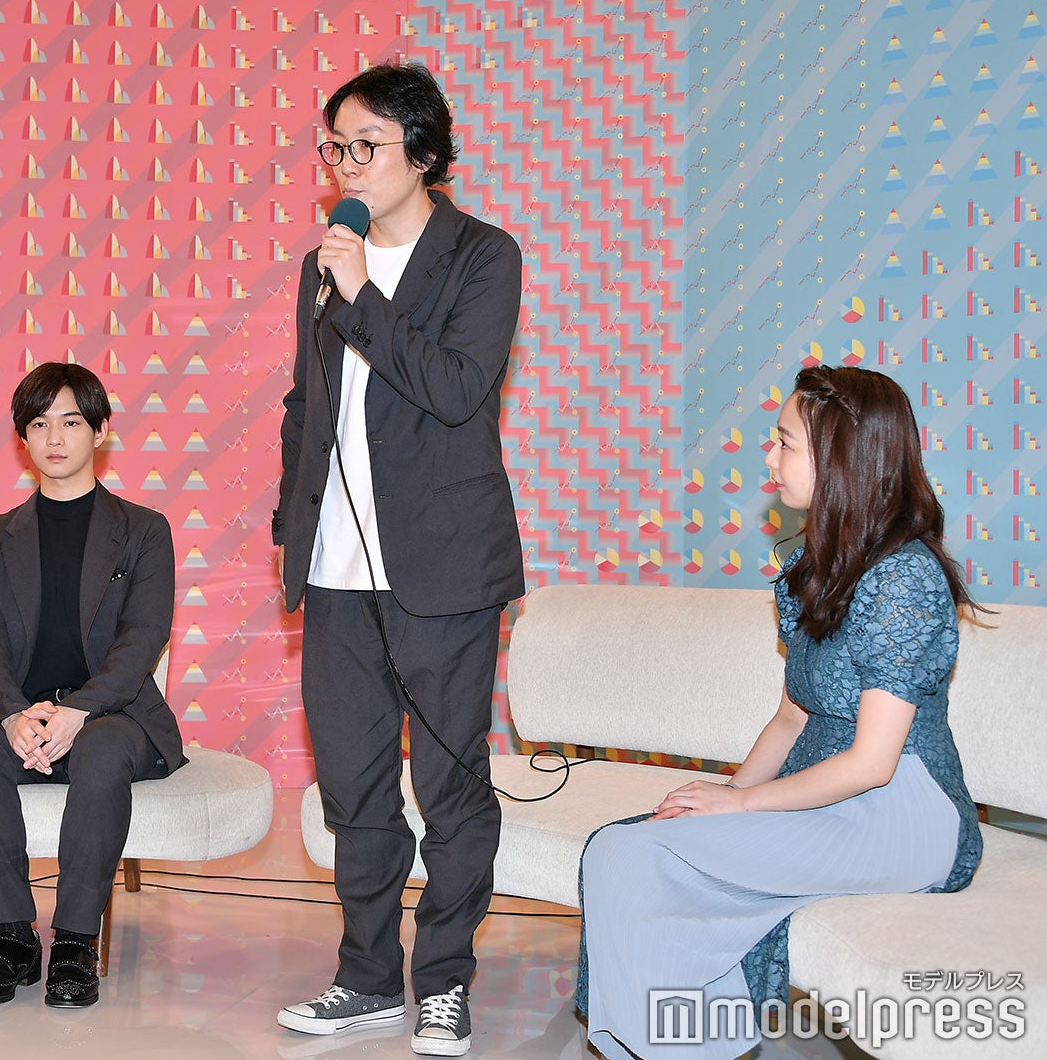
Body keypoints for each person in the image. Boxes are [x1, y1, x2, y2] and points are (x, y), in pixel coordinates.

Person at [577, 365, 984, 1059]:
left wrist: (741, 805)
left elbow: (873, 762)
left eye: (785, 443)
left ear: (840, 458)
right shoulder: (815, 571)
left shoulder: (905, 577)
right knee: (625, 847)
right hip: (823, 795)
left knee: (635, 854)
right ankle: (679, 1044)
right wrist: (723, 795)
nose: (769, 458)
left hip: (901, 812)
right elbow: (791, 719)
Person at [272, 63, 524, 1057]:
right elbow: (307, 403)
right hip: (336, 574)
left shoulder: (482, 255)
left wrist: (363, 294)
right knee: (355, 791)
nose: (344, 163)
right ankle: (369, 977)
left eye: (365, 144)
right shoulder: (322, 263)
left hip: (443, 574)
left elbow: (456, 389)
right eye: (334, 145)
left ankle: (445, 980)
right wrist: (290, 524)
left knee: (452, 788)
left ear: (423, 153)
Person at [0, 362, 184, 1009]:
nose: (55, 437)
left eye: (72, 421)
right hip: (24, 716)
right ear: (22, 438)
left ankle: (76, 941)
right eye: (40, 423)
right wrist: (12, 716)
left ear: (100, 431)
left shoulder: (143, 530)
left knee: (102, 748)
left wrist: (78, 710)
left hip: (112, 717)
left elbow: (142, 640)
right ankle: (13, 939)